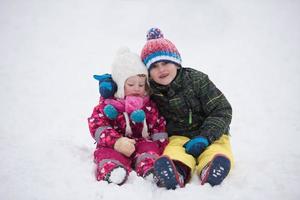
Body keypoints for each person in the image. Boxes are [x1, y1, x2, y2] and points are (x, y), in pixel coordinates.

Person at [139, 28, 234, 189]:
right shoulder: (150, 90)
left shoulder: (197, 80)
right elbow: (130, 89)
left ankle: (210, 168)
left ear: (176, 63)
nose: (161, 69)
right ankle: (177, 172)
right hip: (178, 137)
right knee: (174, 152)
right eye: (154, 66)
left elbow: (222, 109)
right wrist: (114, 82)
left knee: (217, 148)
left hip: (211, 133)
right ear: (148, 73)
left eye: (165, 63)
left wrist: (206, 136)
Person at [88, 47, 168, 185]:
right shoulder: (108, 105)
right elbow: (97, 125)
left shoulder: (148, 105)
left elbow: (158, 126)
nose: (137, 88)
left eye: (141, 84)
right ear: (119, 85)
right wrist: (116, 142)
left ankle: (150, 169)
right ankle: (112, 169)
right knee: (106, 152)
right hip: (115, 144)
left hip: (141, 141)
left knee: (149, 149)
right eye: (131, 84)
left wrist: (160, 145)